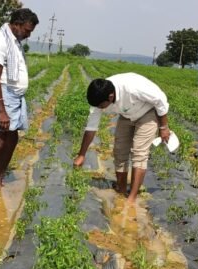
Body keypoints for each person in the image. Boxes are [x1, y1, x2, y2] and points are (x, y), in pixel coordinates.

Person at [73, 73, 170, 203]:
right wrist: (81, 155)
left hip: (148, 112)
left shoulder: (132, 88)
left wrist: (163, 127)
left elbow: (160, 99)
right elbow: (91, 128)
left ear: (111, 96)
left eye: (102, 106)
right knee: (119, 151)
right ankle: (121, 189)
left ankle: (131, 198)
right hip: (127, 114)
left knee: (139, 153)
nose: (100, 109)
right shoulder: (99, 97)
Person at [0, 8, 39, 188]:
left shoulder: (14, 41)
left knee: (12, 138)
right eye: (27, 30)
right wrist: (1, 110)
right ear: (17, 24)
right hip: (4, 95)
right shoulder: (0, 41)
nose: (28, 35)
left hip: (15, 96)